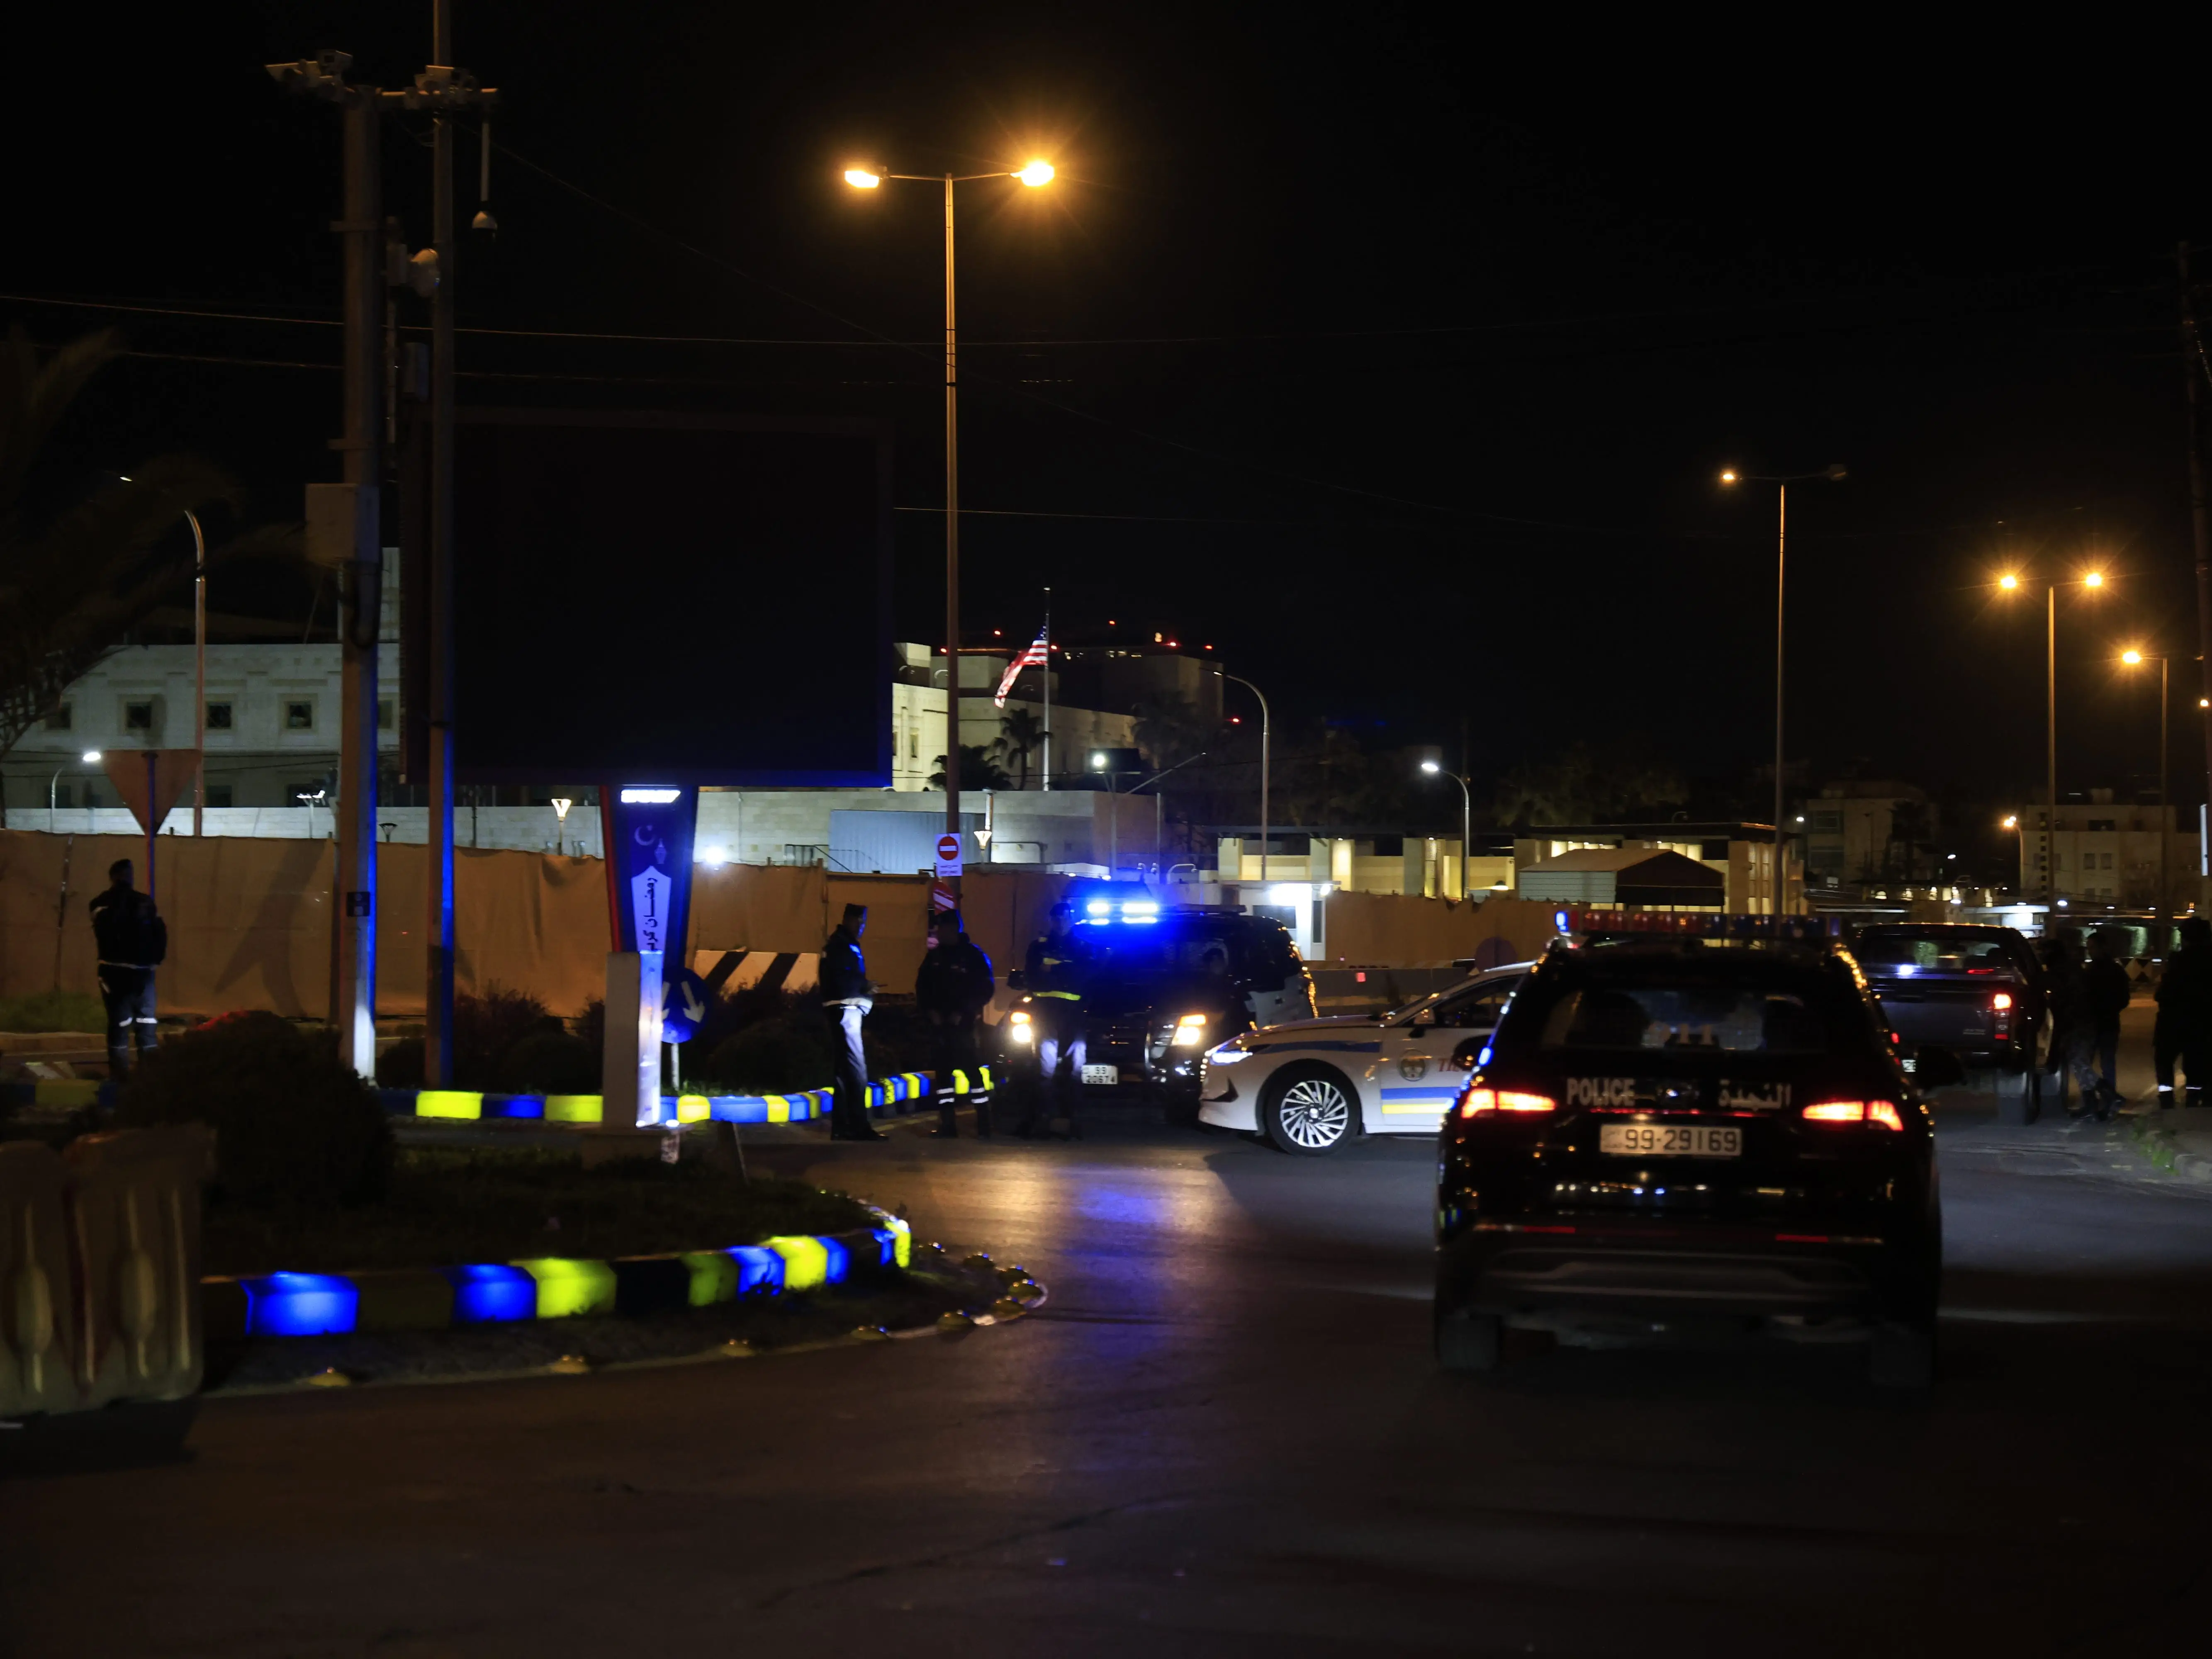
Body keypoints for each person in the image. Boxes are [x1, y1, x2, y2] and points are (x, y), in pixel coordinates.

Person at [916, 909, 995, 1137]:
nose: (937, 932)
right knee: (943, 1078)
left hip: (963, 1026)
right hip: (940, 1026)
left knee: (973, 1075)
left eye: (941, 928)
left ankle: (984, 1124)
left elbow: (985, 989)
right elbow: (922, 987)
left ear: (953, 929)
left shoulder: (973, 956)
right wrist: (930, 1011)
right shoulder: (934, 957)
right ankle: (947, 1125)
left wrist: (964, 1012)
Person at [89, 858, 166, 1080]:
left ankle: (122, 1078)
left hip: (115, 972)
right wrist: (156, 959)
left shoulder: (100, 903)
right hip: (141, 973)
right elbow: (160, 932)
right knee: (145, 1023)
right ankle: (148, 1077)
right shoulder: (142, 902)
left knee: (121, 1024)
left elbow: (105, 928)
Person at [1022, 900, 1087, 1139]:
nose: (1061, 922)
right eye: (1057, 918)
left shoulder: (1082, 946)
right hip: (1045, 1014)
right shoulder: (1038, 947)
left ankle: (1072, 1122)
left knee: (1074, 1070)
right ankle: (1042, 1120)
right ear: (1051, 920)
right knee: (1044, 1070)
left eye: (1066, 917)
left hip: (1072, 1015)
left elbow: (1084, 976)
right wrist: (1063, 970)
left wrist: (1052, 970)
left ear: (1072, 919)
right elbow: (1031, 975)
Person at [820, 902, 884, 1141]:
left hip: (840, 1010)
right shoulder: (842, 945)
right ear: (849, 919)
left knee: (843, 1072)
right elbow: (842, 981)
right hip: (846, 1011)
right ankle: (858, 1127)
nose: (862, 927)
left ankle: (842, 1127)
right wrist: (865, 988)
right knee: (857, 1070)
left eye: (864, 923)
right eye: (860, 922)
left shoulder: (840, 944)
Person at [2043, 932, 2111, 1120]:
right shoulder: (2070, 968)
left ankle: (2111, 1097)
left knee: (2080, 1064)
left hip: (2077, 1023)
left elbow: (2059, 996)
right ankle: (2091, 1104)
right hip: (2081, 1022)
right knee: (2080, 1065)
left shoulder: (2062, 971)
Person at [2154, 915, 2212, 1109]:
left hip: (2173, 1022)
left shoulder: (2179, 961)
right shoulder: (2206, 960)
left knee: (2164, 1059)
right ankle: (2194, 1100)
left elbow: (2165, 992)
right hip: (2200, 1023)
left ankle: (2167, 1099)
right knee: (2196, 1061)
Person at [2083, 934, 2134, 1104]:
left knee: (2088, 1062)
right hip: (2106, 1022)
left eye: (2092, 948)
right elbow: (2124, 999)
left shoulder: (2093, 971)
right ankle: (2107, 1096)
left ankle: (2094, 1097)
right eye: (2088, 948)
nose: (2090, 952)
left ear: (2102, 948)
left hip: (2097, 1022)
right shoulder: (2114, 970)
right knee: (2105, 1061)